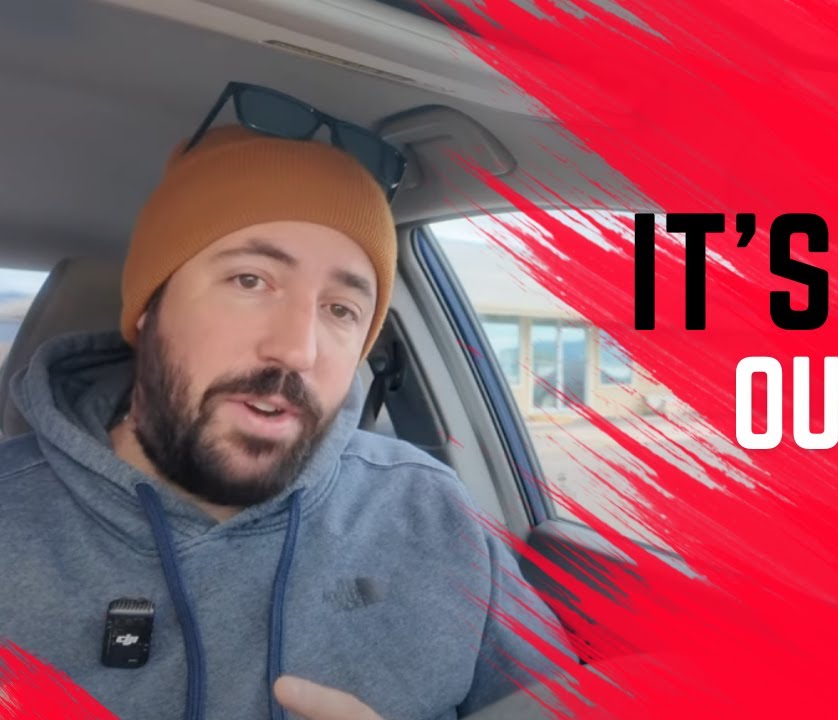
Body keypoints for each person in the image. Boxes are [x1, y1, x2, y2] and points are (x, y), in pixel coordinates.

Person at [0, 82, 569, 720]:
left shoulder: (431, 513)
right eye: (250, 280)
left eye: (341, 309)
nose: (297, 349)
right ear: (149, 308)